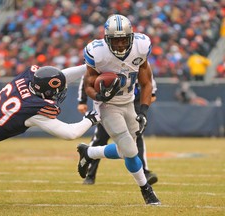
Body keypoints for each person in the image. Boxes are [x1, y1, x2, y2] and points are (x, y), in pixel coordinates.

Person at [0, 64, 100, 172]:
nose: (59, 93)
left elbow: (58, 77)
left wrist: (88, 66)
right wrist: (91, 118)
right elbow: (70, 133)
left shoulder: (27, 79)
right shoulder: (33, 109)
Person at [77, 14, 161, 205]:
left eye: (124, 39)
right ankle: (146, 191)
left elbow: (146, 82)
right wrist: (99, 96)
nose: (121, 44)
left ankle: (89, 153)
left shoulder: (141, 46)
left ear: (131, 36)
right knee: (131, 151)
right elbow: (89, 83)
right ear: (107, 39)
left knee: (126, 150)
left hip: (129, 102)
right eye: (117, 40)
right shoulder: (97, 52)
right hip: (107, 105)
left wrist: (144, 111)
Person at [77, 76, 158, 185]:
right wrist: (82, 100)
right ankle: (90, 173)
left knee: (136, 136)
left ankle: (144, 172)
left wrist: (151, 93)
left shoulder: (137, 59)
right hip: (109, 104)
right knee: (100, 138)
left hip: (132, 102)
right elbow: (88, 76)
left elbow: (147, 76)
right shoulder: (103, 59)